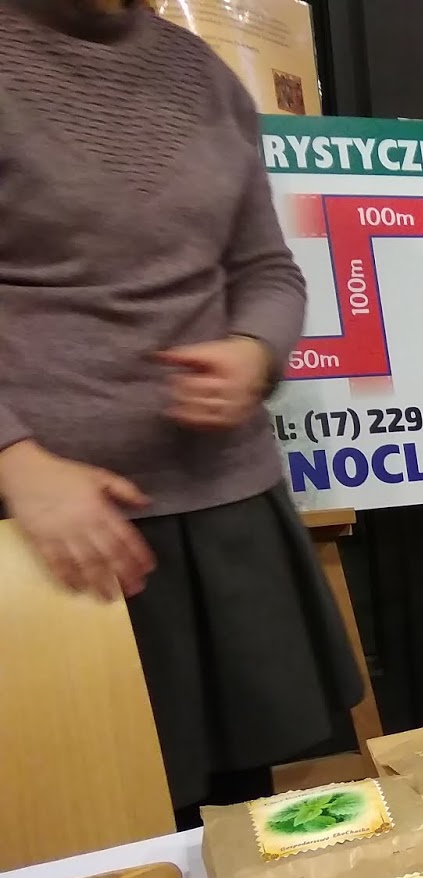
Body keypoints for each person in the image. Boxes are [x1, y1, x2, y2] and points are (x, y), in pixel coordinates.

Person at [0, 0, 362, 815]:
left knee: (233, 826)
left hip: (225, 509)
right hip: (45, 536)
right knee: (75, 830)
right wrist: (15, 461)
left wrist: (253, 351)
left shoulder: (200, 73)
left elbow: (268, 270)